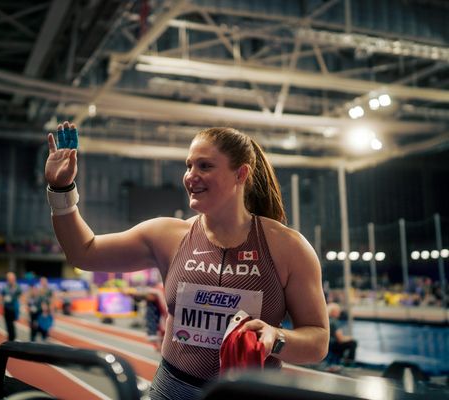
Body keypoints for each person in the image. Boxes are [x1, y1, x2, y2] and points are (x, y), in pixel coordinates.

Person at [44, 121, 329, 400]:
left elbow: (318, 341)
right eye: (189, 165)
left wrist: (275, 338)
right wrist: (61, 189)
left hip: (250, 392)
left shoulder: (287, 247)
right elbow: (83, 251)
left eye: (205, 166)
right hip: (171, 391)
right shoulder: (166, 235)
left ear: (241, 174)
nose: (191, 175)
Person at [327, 302, 358, 366]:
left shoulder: (327, 321)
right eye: (337, 311)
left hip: (328, 345)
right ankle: (349, 362)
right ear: (333, 312)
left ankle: (338, 360)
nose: (339, 313)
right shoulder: (335, 322)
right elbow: (340, 339)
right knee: (353, 343)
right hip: (333, 345)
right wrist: (350, 338)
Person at [1, 271, 22, 341]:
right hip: (6, 308)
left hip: (14, 309)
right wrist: (4, 299)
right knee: (8, 325)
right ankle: (10, 337)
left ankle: (12, 338)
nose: (10, 280)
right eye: (9, 279)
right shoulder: (5, 287)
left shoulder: (17, 287)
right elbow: (2, 295)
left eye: (12, 279)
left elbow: (21, 295)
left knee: (11, 325)